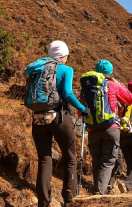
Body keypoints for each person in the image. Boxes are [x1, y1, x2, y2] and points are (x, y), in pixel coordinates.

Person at [28, 41, 88, 207]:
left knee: (44, 159)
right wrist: (82, 109)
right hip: (59, 116)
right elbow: (68, 93)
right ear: (64, 55)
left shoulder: (39, 68)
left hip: (38, 117)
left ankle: (43, 203)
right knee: (70, 159)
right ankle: (69, 200)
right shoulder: (65, 69)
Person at [82, 59, 132, 195]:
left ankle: (98, 189)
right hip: (111, 128)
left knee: (96, 161)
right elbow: (130, 99)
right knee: (108, 162)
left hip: (92, 129)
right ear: (110, 72)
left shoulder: (88, 86)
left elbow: (80, 109)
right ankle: (100, 192)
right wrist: (119, 84)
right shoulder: (113, 85)